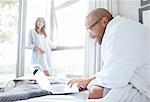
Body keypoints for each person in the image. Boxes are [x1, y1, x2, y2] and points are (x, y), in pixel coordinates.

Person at [68, 8, 150, 101]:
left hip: (145, 90)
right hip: (137, 82)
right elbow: (110, 70)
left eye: (90, 29)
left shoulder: (120, 31)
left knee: (94, 92)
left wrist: (89, 84)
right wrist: (88, 80)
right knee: (95, 90)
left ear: (104, 21)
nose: (90, 35)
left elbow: (113, 79)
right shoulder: (120, 27)